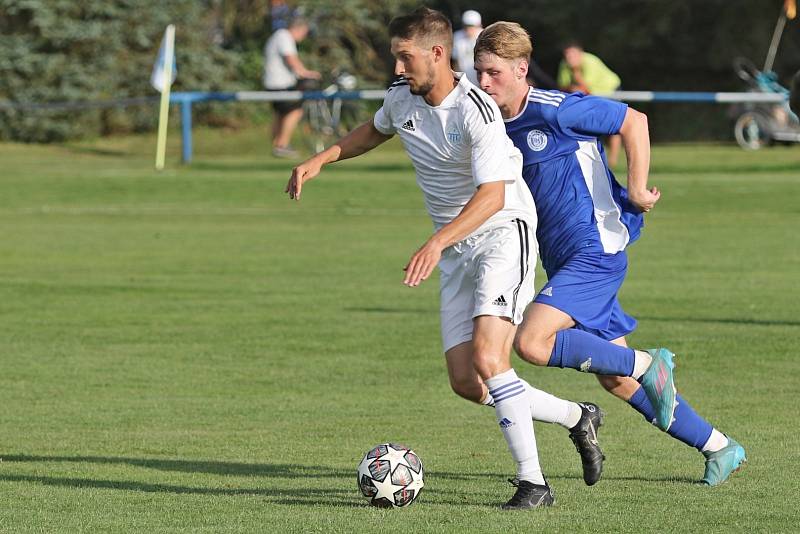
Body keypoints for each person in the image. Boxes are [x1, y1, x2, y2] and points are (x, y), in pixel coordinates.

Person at [286, 7, 608, 509]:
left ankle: (534, 484)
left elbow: (493, 196)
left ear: (437, 53)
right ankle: (575, 416)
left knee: (489, 356)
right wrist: (322, 158)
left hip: (503, 235)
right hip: (456, 247)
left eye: (404, 57)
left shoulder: (474, 109)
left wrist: (435, 242)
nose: (397, 68)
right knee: (466, 381)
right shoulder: (401, 97)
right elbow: (376, 128)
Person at [473, 21, 746, 486]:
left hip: (596, 250)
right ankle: (719, 446)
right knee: (615, 378)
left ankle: (648, 360)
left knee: (531, 343)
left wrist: (637, 187)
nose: (484, 83)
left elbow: (632, 120)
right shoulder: (493, 122)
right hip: (563, 260)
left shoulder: (555, 109)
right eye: (479, 72)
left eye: (493, 73)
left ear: (521, 70)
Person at [557, 41, 623, 167]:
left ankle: (613, 161)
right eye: (567, 56)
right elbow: (562, 87)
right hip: (591, 95)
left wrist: (576, 73)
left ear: (580, 54)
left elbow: (585, 88)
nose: (569, 59)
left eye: (572, 56)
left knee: (616, 124)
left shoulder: (590, 62)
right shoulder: (564, 64)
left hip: (610, 89)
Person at [263, 16, 321, 158]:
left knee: (280, 114)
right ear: (299, 28)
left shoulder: (278, 35)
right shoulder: (284, 36)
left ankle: (278, 144)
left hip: (273, 83)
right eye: (304, 32)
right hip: (280, 84)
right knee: (295, 110)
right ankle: (282, 145)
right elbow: (291, 59)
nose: (304, 36)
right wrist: (306, 73)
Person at [451, 10, 483, 86]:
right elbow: (455, 63)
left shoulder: (484, 35)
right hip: (465, 83)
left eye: (472, 26)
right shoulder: (457, 37)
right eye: (467, 26)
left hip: (481, 81)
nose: (469, 29)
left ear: (478, 25)